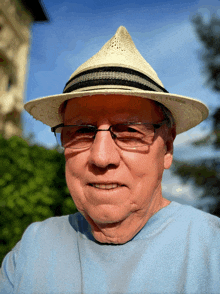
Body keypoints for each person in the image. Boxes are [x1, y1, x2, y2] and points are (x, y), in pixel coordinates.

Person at [0, 26, 219, 294]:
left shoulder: (213, 249)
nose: (101, 157)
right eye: (81, 131)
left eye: (129, 131)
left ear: (168, 148)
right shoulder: (31, 248)